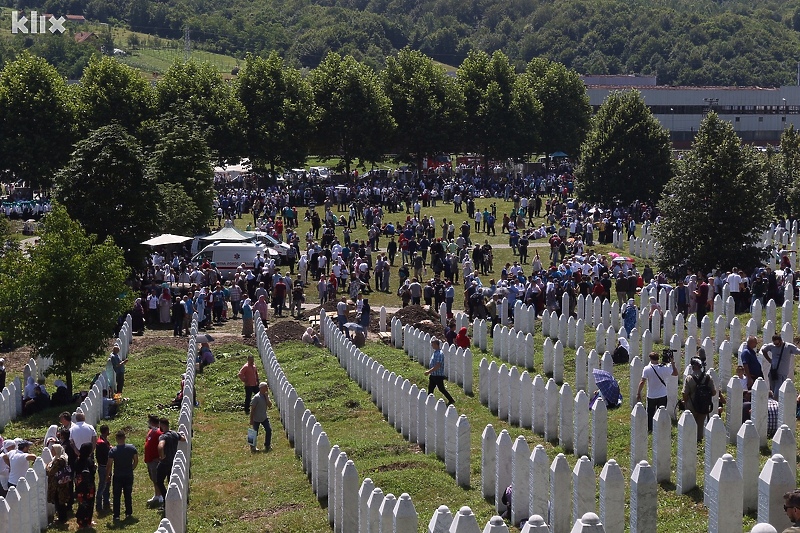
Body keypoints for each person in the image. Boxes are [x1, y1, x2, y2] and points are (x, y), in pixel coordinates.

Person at [636, 351, 677, 432]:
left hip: (651, 395)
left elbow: (642, 382)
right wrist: (672, 363)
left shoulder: (647, 369)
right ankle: (661, 428)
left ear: (650, 358)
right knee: (661, 413)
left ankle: (650, 429)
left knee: (650, 413)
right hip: (662, 395)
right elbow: (675, 373)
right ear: (658, 358)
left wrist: (638, 393)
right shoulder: (664, 368)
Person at [682, 357, 717, 442]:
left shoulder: (689, 378)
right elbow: (714, 392)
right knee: (700, 424)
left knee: (690, 424)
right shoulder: (708, 378)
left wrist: (685, 401)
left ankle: (690, 441)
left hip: (691, 405)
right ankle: (699, 441)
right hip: (704, 405)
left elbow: (684, 393)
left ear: (693, 367)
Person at [106, 430, 138, 522]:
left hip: (118, 475)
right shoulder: (131, 448)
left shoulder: (113, 450)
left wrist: (107, 475)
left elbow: (109, 464)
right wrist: (131, 468)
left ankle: (116, 515)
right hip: (128, 474)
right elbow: (135, 460)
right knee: (128, 494)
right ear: (124, 438)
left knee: (116, 496)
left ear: (116, 439)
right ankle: (128, 512)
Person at [155, 418, 186, 508]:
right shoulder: (174, 434)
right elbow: (183, 439)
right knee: (170, 481)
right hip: (173, 461)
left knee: (159, 481)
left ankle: (166, 499)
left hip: (164, 462)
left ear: (162, 425)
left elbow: (161, 446)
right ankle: (172, 498)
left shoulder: (163, 436)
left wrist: (161, 456)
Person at [46, 443, 73, 524]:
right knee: (59, 501)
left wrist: (46, 466)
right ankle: (62, 517)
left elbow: (50, 472)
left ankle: (62, 518)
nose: (51, 451)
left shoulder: (59, 460)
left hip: (58, 485)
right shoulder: (58, 458)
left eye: (53, 449)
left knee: (59, 501)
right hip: (59, 484)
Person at [425, 338, 455, 405]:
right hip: (433, 375)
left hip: (438, 376)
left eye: (432, 344)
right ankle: (428, 401)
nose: (432, 346)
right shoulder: (435, 352)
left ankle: (451, 400)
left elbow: (438, 365)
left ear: (436, 344)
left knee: (441, 389)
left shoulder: (439, 354)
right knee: (430, 388)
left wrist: (429, 371)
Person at [74, 442, 96, 528]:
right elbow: (92, 472)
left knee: (82, 503)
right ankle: (88, 522)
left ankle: (80, 522)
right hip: (89, 486)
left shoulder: (77, 460)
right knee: (89, 504)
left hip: (80, 486)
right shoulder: (89, 460)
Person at [144, 414, 163, 507]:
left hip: (155, 460)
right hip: (149, 460)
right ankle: (156, 494)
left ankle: (160, 495)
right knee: (153, 478)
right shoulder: (151, 431)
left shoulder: (159, 433)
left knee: (157, 478)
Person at [249, 382, 273, 452]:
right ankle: (252, 447)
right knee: (254, 433)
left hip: (264, 417)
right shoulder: (256, 397)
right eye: (266, 387)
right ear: (261, 388)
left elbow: (270, 405)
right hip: (256, 418)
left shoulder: (266, 396)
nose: (267, 389)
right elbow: (252, 409)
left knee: (269, 430)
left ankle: (267, 445)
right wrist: (251, 419)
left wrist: (266, 398)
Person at [95, 425, 111, 513]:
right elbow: (108, 453)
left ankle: (106, 500)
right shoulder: (101, 443)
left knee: (107, 484)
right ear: (106, 431)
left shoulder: (103, 441)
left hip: (105, 465)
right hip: (104, 466)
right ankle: (99, 504)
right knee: (103, 484)